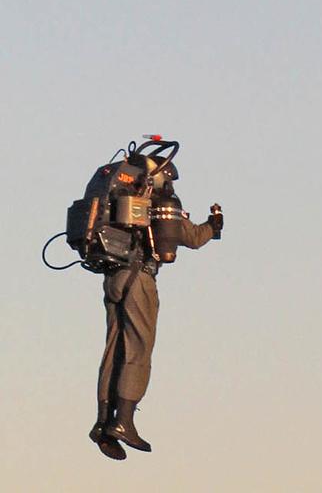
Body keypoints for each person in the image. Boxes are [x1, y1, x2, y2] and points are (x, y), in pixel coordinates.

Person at [88, 158, 224, 460]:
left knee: (114, 349)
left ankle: (102, 422)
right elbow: (190, 236)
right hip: (140, 278)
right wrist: (213, 226)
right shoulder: (159, 201)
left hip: (112, 276)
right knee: (138, 349)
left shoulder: (115, 197)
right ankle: (123, 422)